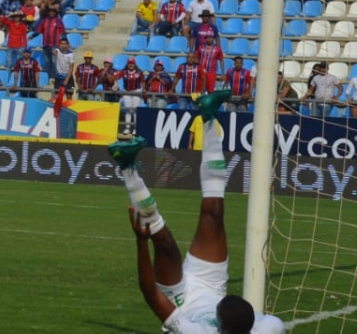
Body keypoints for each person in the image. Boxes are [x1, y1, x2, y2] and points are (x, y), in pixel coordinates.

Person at [108, 90, 285, 334]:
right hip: (212, 283)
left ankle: (127, 167)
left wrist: (141, 241)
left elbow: (150, 293)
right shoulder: (269, 327)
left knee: (163, 241)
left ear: (220, 325)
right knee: (214, 210)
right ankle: (209, 116)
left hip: (181, 301)